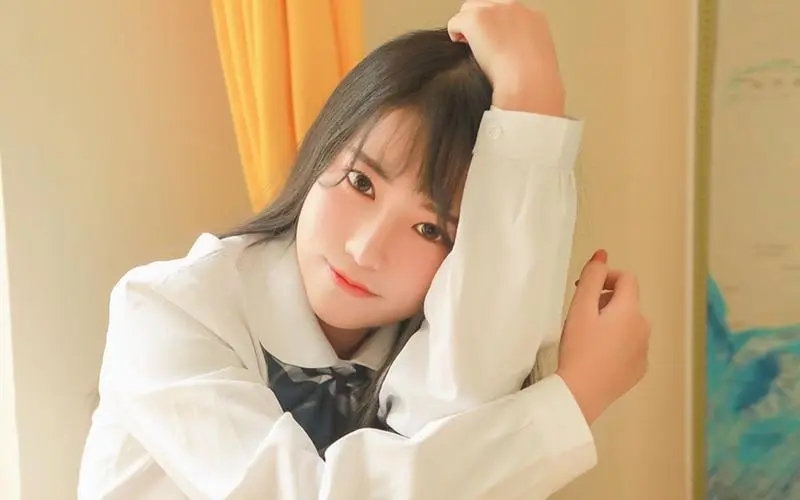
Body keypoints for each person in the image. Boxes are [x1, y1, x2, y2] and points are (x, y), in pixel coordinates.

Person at [78, 2, 651, 499]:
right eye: (360, 182)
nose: (366, 248)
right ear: (322, 149)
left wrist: (531, 108)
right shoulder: (168, 309)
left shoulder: (424, 349)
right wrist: (574, 400)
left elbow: (459, 411)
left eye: (430, 230)